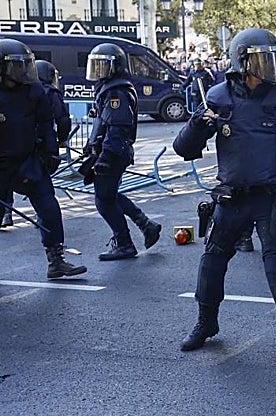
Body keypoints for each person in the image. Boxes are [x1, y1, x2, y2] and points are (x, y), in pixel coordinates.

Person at [172, 28, 276, 362]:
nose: (268, 67)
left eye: (272, 60)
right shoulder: (218, 96)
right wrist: (200, 124)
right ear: (242, 62)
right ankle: (205, 323)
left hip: (271, 197)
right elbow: (184, 148)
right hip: (232, 197)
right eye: (260, 60)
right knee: (211, 262)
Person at [0, 39, 87, 278]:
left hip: (27, 160)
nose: (24, 70)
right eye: (17, 66)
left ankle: (56, 259)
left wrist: (50, 153)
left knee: (48, 206)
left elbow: (46, 123)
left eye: (26, 65)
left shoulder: (35, 90)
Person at [82, 43, 162, 260]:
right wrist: (91, 146)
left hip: (114, 152)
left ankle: (125, 243)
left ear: (115, 67)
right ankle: (146, 225)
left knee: (104, 200)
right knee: (109, 195)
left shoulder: (117, 91)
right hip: (111, 151)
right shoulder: (110, 87)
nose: (99, 71)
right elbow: (103, 122)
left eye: (103, 66)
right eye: (96, 66)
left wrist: (105, 157)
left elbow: (117, 127)